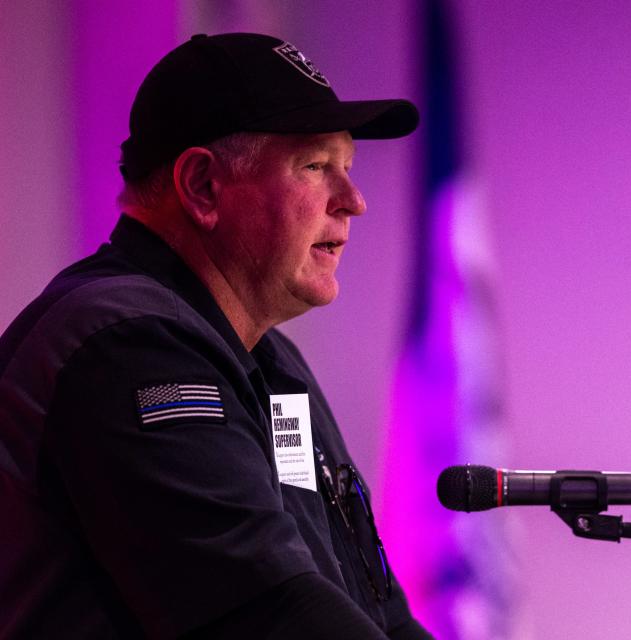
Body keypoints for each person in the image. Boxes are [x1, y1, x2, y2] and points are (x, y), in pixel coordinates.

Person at [0, 32, 433, 639]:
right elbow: (265, 614)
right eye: (314, 166)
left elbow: (377, 611)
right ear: (204, 187)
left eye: (349, 168)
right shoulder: (127, 346)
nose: (353, 201)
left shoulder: (270, 361)